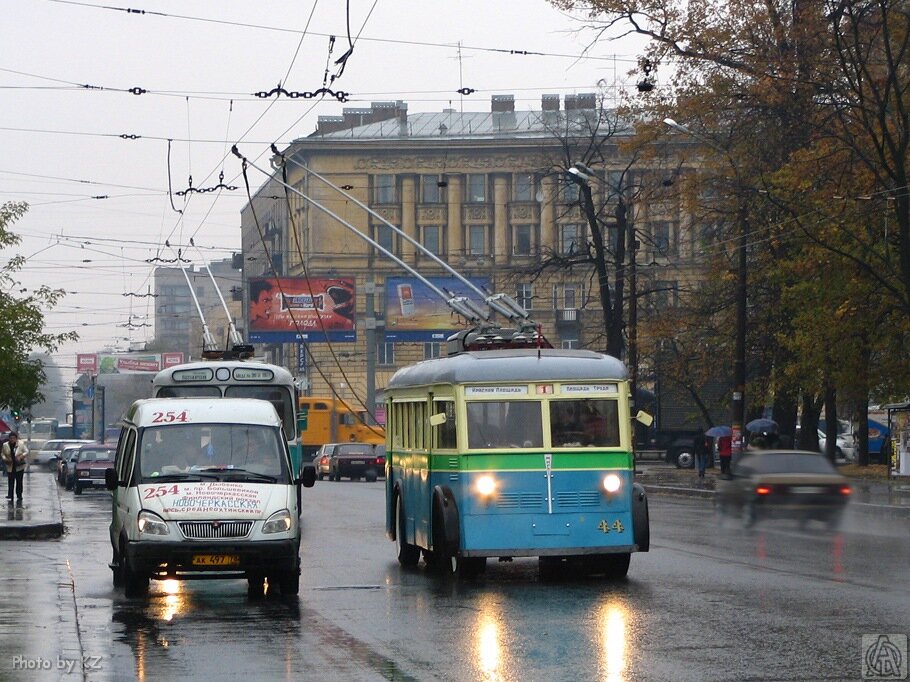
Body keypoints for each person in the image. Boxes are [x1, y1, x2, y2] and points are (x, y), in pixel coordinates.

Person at [2, 432, 29, 502]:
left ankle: (19, 495)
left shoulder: (21, 444)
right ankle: (10, 494)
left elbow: (26, 451)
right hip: (10, 465)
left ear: (16, 439)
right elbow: (3, 453)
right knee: (10, 481)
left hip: (19, 466)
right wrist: (5, 459)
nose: (12, 439)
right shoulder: (5, 445)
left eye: (14, 438)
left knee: (19, 481)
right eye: (11, 438)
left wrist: (21, 456)